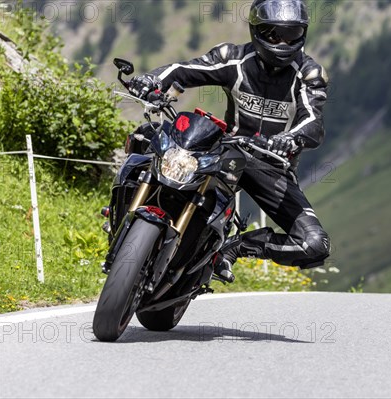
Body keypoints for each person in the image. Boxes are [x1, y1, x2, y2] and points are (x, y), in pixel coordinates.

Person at [127, 0, 330, 282]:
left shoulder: (308, 75)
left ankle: (237, 247)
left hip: (271, 164)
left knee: (314, 244)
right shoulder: (233, 59)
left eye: (293, 34)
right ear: (257, 30)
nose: (283, 42)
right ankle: (127, 218)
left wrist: (290, 139)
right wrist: (150, 80)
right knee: (145, 138)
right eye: (275, 33)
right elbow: (182, 69)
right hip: (224, 150)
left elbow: (313, 122)